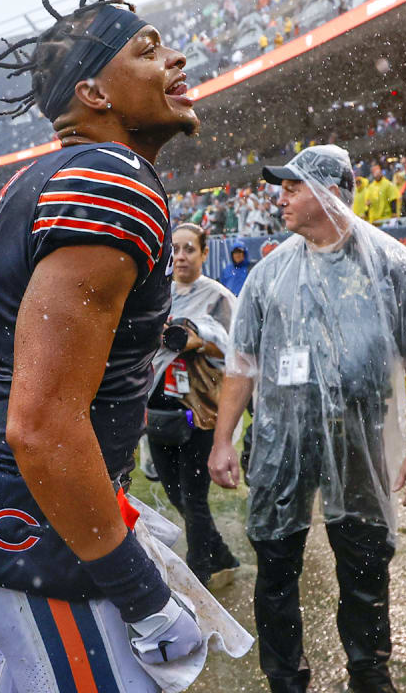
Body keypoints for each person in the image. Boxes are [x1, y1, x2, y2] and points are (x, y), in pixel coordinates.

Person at [0, 0, 209, 690]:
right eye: (148, 50)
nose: (175, 60)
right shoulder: (111, 180)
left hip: (19, 505)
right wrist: (142, 597)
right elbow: (44, 424)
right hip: (39, 516)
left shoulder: (53, 174)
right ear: (96, 94)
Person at [208, 145, 406, 693]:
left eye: (292, 187)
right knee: (277, 560)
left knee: (365, 556)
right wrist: (223, 439)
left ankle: (369, 671)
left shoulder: (392, 264)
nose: (280, 198)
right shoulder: (268, 274)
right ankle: (285, 677)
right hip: (282, 440)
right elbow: (242, 364)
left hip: (359, 437)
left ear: (327, 194)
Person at [147, 223, 240, 588]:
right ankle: (223, 556)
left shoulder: (218, 298)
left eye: (190, 249)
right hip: (159, 409)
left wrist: (200, 342)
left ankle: (198, 577)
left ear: (204, 253)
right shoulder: (155, 294)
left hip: (200, 412)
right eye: (177, 250)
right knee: (175, 494)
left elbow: (238, 354)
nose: (182, 256)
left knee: (194, 498)